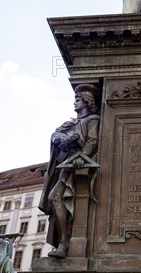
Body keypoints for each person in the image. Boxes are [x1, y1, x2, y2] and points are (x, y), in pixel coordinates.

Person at [38, 86, 100, 258]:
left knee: (57, 197)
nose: (75, 102)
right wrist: (59, 138)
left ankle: (67, 244)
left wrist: (83, 156)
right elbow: (55, 134)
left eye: (78, 99)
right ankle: (64, 243)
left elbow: (93, 140)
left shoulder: (92, 120)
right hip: (67, 166)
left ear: (87, 102)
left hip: (79, 167)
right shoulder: (71, 123)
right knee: (55, 197)